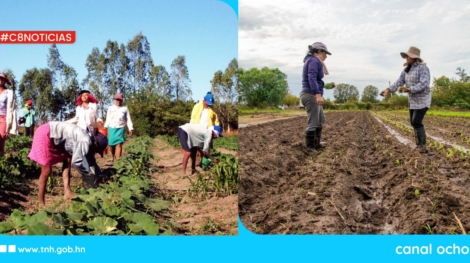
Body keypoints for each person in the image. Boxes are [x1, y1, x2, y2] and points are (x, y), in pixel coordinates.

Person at [27, 121, 108, 206]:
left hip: (54, 136)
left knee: (67, 159)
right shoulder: (86, 140)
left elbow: (91, 160)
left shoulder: (89, 138)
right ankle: (41, 203)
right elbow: (76, 162)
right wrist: (86, 175)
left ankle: (67, 192)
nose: (95, 152)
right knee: (46, 170)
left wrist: (100, 175)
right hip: (45, 133)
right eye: (97, 150)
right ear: (95, 144)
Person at [380, 46, 431, 153]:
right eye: (406, 56)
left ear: (414, 57)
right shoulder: (406, 70)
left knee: (416, 121)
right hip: (412, 101)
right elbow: (399, 82)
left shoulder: (423, 68)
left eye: (408, 56)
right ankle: (419, 145)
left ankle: (422, 146)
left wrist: (409, 89)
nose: (406, 58)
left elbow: (424, 83)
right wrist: (388, 90)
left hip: (422, 100)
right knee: (413, 123)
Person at [299, 42, 332, 155]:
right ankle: (310, 147)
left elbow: (317, 80)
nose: (326, 56)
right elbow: (311, 77)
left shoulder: (315, 61)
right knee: (313, 122)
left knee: (321, 119)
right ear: (318, 51)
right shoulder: (313, 60)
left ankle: (316, 143)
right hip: (310, 94)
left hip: (313, 93)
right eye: (325, 53)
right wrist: (317, 94)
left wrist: (326, 87)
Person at [104, 93, 134, 161]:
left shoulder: (125, 108)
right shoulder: (110, 108)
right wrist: (105, 127)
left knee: (119, 144)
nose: (118, 101)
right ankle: (113, 157)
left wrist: (130, 128)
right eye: (117, 100)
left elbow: (128, 119)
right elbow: (108, 118)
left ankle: (118, 161)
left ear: (122, 100)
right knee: (111, 145)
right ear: (115, 100)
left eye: (120, 100)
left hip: (120, 127)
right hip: (111, 127)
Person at [0, 71, 18, 156]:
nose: (0, 80)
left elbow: (11, 109)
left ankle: (2, 163)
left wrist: (9, 127)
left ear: (4, 81)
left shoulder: (8, 93)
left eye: (2, 79)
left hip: (3, 118)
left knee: (1, 141)